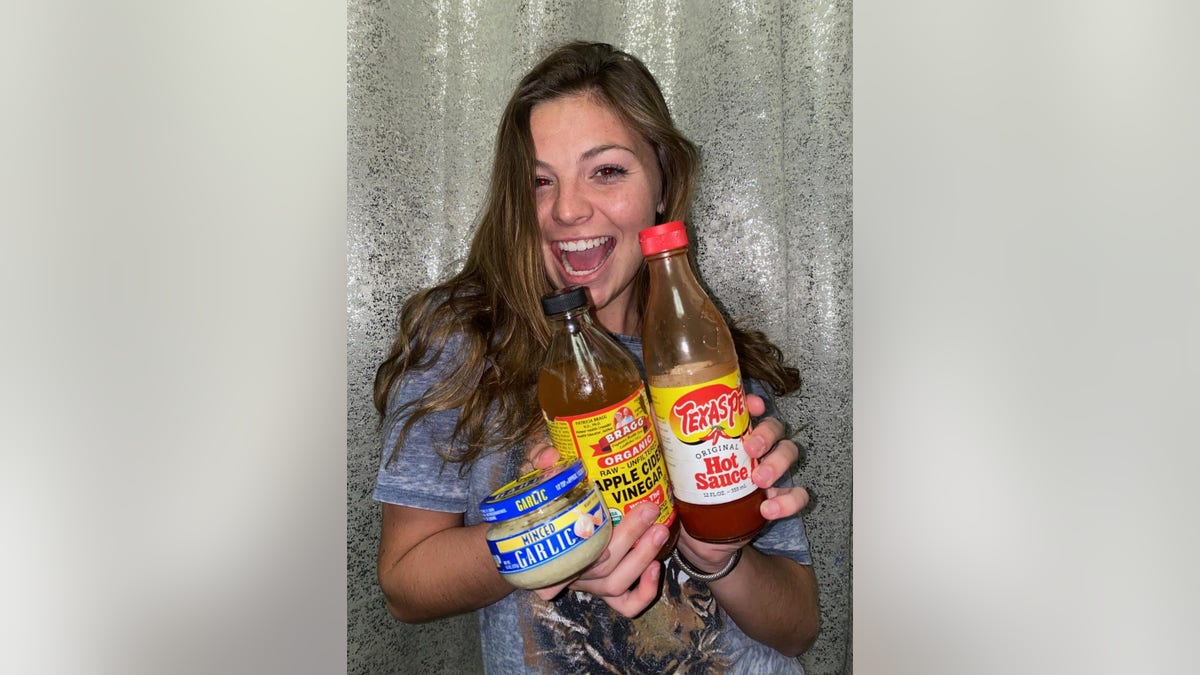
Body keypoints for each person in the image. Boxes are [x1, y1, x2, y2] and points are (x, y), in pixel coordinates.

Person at [372, 41, 819, 673]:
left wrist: (719, 552)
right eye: (539, 181)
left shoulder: (709, 365)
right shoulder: (462, 344)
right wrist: (552, 535)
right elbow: (403, 584)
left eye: (606, 171)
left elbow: (798, 628)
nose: (566, 209)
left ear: (662, 183)